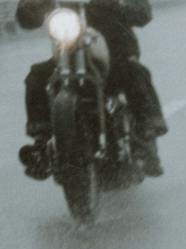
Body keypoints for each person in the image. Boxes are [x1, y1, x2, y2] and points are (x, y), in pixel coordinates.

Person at [16, 0, 168, 179]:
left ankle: (146, 136)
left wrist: (122, 6)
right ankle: (41, 144)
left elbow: (143, 12)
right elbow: (27, 19)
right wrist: (31, 6)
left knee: (134, 72)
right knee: (38, 76)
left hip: (115, 51)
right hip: (70, 54)